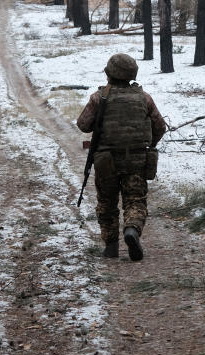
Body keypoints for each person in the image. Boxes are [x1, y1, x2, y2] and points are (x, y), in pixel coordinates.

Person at [76, 53, 166, 261]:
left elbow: (83, 124)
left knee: (107, 202)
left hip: (106, 160)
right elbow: (160, 127)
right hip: (136, 160)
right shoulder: (144, 98)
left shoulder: (99, 98)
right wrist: (149, 144)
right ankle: (132, 230)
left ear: (109, 74)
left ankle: (111, 246)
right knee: (135, 200)